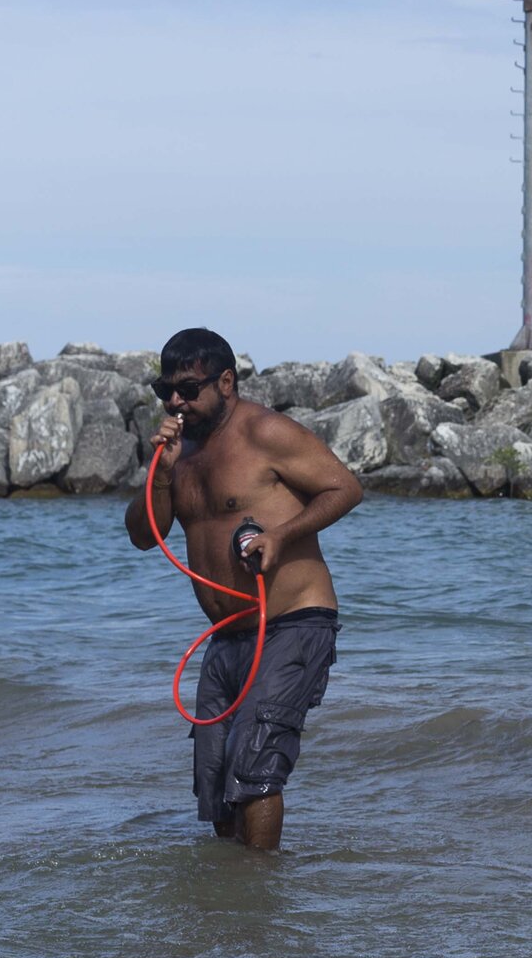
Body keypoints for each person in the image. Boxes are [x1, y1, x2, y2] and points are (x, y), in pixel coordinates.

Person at [125, 327, 364, 850]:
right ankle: (233, 904)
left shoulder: (266, 433)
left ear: (226, 381)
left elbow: (345, 487)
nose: (174, 401)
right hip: (227, 635)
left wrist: (283, 534)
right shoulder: (178, 452)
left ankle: (260, 900)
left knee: (254, 767)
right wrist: (161, 474)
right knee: (214, 781)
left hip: (293, 622)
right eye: (164, 389)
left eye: (188, 389)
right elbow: (145, 537)